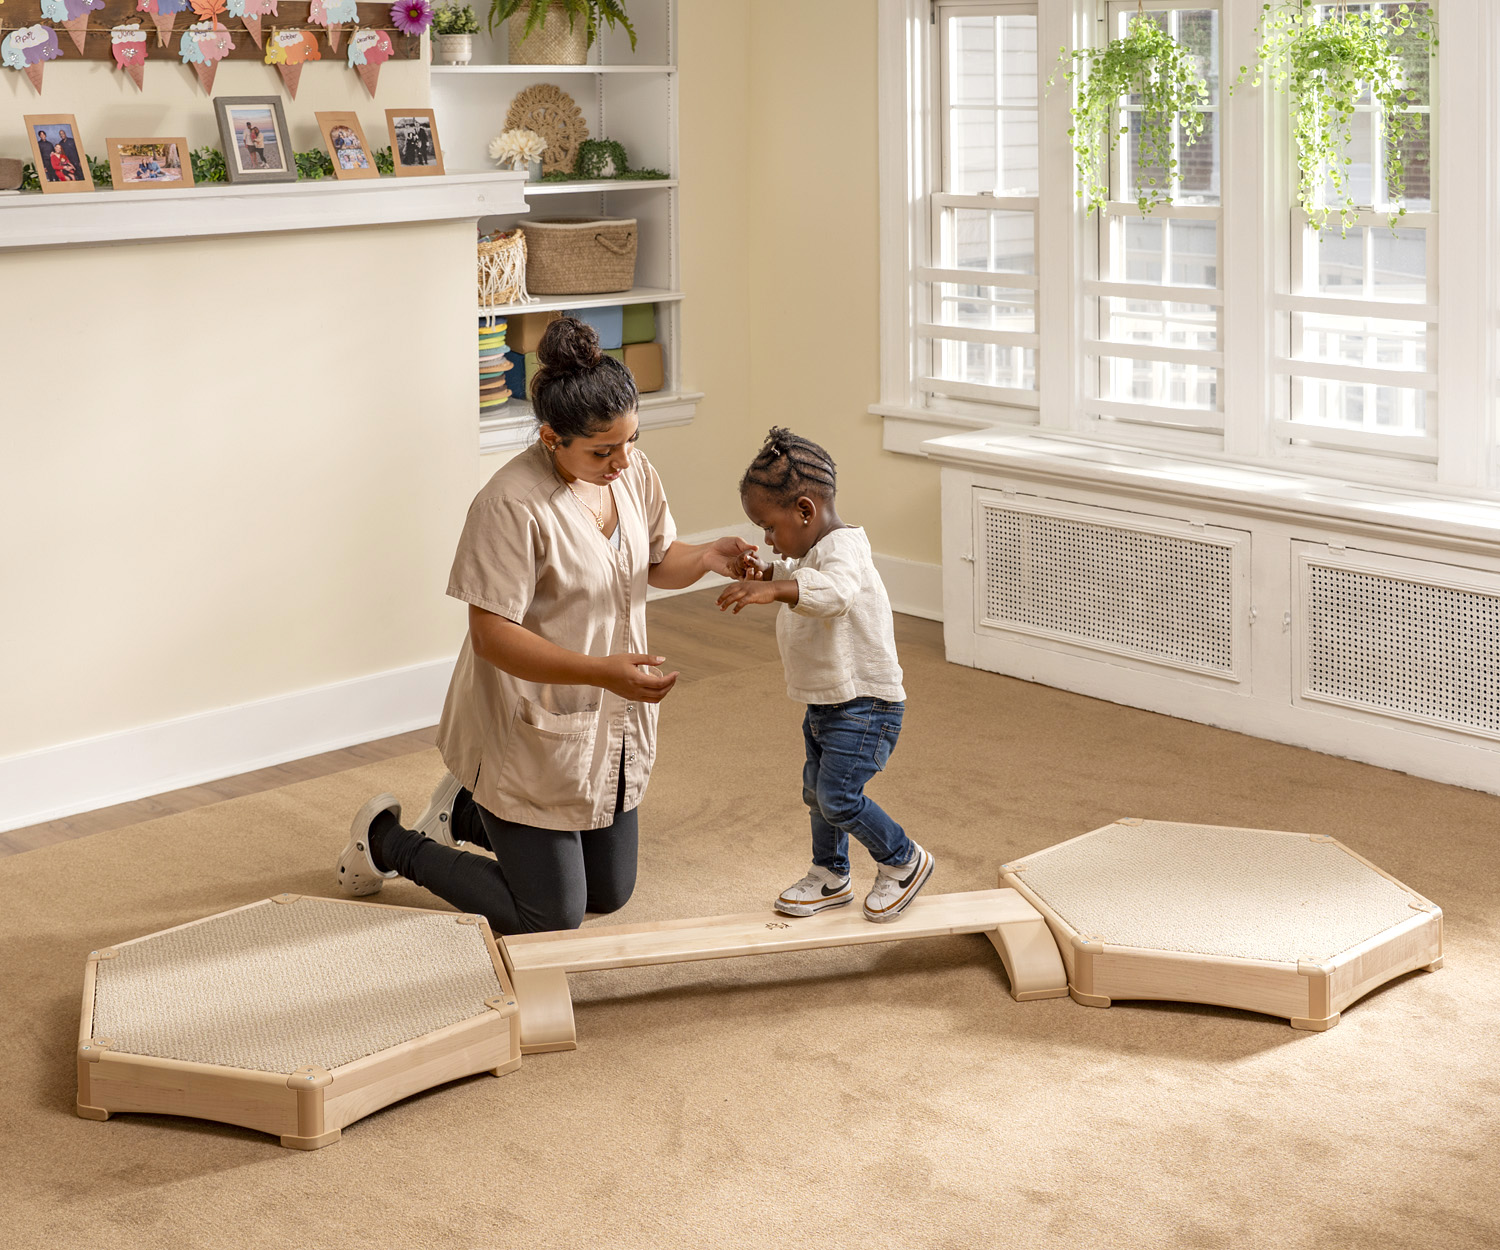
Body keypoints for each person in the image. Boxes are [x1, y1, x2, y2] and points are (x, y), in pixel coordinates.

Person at [337, 317, 754, 934]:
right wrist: (602, 672)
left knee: (608, 894)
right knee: (549, 915)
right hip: (528, 722)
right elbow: (492, 635)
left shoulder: (632, 474)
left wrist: (710, 557)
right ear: (551, 438)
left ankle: (466, 814)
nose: (622, 461)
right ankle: (390, 842)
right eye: (602, 451)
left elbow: (655, 561)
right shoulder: (510, 504)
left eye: (630, 441)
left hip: (603, 719)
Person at [717, 427, 933, 923]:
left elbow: (834, 592)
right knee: (817, 793)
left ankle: (903, 860)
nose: (769, 541)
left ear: (805, 511)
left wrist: (775, 592)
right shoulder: (814, 551)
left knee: (838, 796)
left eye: (769, 527)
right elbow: (804, 576)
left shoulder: (844, 550)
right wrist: (766, 577)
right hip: (829, 702)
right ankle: (831, 874)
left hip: (865, 706)